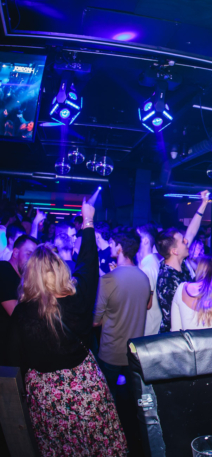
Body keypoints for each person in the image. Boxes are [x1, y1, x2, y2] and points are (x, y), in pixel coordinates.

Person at [8, 193, 128, 455]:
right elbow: (88, 263)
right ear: (61, 270)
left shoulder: (21, 314)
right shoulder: (78, 299)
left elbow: (14, 362)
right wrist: (88, 220)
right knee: (99, 446)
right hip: (85, 387)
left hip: (47, 396)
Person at [94, 231, 151, 398]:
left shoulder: (108, 279)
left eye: (113, 244)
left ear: (120, 248)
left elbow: (95, 321)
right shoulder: (144, 277)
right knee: (134, 401)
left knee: (108, 399)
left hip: (111, 352)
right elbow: (147, 305)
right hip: (134, 351)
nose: (110, 246)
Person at [156, 190, 210, 333]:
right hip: (175, 338)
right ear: (174, 251)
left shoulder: (181, 263)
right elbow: (175, 318)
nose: (186, 241)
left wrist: (203, 204)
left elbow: (191, 231)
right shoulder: (167, 280)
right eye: (182, 241)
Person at [0, 235, 38, 365]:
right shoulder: (4, 270)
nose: (32, 260)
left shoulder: (21, 279)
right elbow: (16, 313)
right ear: (15, 252)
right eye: (28, 254)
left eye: (34, 256)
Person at [137, 223, 162, 336]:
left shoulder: (148, 268)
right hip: (152, 324)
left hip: (148, 327)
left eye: (137, 237)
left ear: (145, 241)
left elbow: (146, 303)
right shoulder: (153, 261)